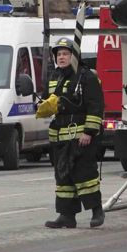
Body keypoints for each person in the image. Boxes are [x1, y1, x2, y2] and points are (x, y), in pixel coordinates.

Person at [38, 37, 105, 228]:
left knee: (85, 176)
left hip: (81, 136)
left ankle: (97, 211)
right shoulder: (54, 77)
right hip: (60, 138)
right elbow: (46, 100)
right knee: (63, 178)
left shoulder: (87, 77)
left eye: (65, 54)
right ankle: (67, 215)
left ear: (74, 56)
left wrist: (89, 132)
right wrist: (41, 106)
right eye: (58, 54)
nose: (61, 57)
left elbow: (96, 106)